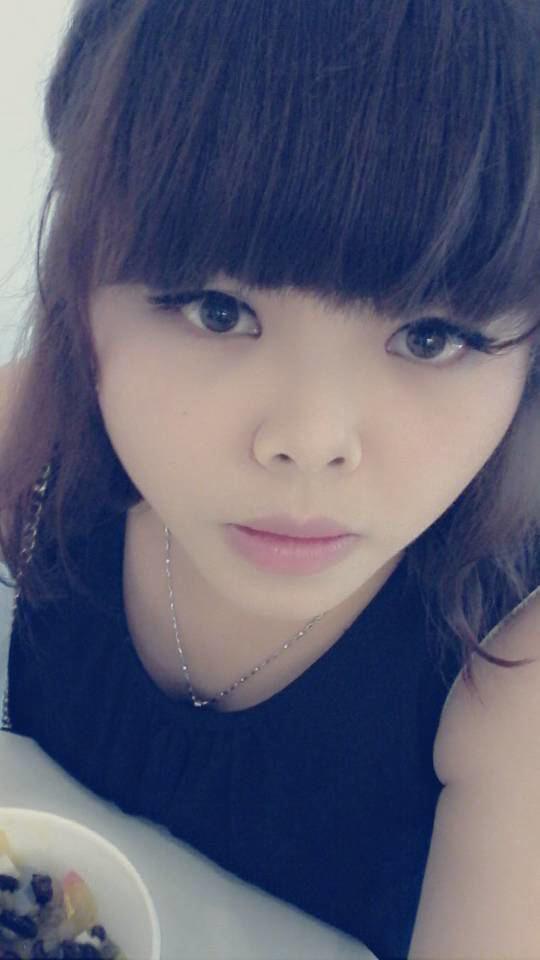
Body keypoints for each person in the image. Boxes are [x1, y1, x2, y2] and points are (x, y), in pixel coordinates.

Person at [0, 0, 539, 956]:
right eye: (216, 310)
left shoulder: (513, 667)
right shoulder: (44, 437)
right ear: (82, 283)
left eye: (431, 337)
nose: (308, 441)